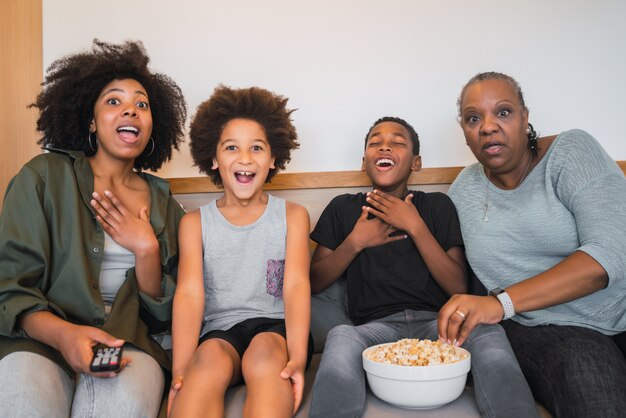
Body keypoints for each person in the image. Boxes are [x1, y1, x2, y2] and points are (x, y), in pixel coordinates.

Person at [0, 40, 187, 418]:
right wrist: (65, 335)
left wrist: (147, 251)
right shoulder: (42, 177)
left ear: (153, 124)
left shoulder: (166, 204)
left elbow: (166, 317)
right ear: (90, 120)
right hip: (38, 339)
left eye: (142, 104)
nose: (130, 109)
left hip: (128, 344)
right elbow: (9, 286)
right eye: (114, 101)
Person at [308, 116, 538, 418]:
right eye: (375, 143)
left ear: (416, 162)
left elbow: (457, 285)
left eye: (397, 143)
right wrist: (355, 242)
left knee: (489, 334)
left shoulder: (437, 206)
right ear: (364, 162)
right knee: (340, 336)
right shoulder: (343, 207)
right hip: (373, 329)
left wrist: (415, 226)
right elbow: (313, 282)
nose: (384, 147)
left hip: (440, 324)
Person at [439, 71, 626, 418]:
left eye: (504, 112)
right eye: (473, 118)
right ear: (464, 133)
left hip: (618, 311)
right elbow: (454, 274)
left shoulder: (571, 152)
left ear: (526, 118)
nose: (488, 127)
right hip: (539, 326)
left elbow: (609, 256)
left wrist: (500, 302)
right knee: (590, 380)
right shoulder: (464, 191)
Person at [168, 86, 311, 418]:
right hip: (220, 332)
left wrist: (299, 360)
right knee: (205, 365)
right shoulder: (194, 224)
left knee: (264, 356)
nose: (245, 158)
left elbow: (296, 287)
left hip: (274, 328)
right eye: (231, 147)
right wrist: (180, 372)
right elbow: (189, 295)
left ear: (273, 158)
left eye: (257, 148)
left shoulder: (293, 217)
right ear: (214, 159)